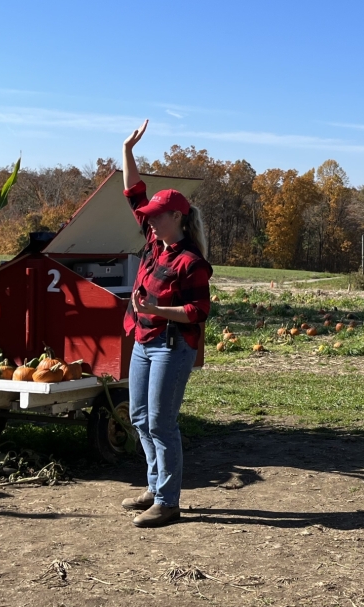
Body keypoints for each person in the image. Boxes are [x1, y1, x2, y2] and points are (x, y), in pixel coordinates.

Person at [118, 119, 213, 528]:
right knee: (139, 416)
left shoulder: (191, 262)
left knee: (161, 422)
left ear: (177, 216)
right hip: (143, 340)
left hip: (172, 345)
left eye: (158, 216)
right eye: (151, 217)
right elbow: (133, 192)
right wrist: (127, 151)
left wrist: (158, 312)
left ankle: (169, 502)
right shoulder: (157, 239)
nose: (150, 220)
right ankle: (155, 487)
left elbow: (198, 313)